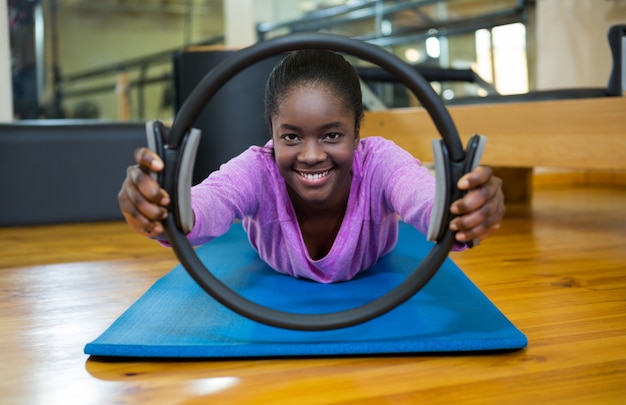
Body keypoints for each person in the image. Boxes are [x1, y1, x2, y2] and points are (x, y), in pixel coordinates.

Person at [118, 49, 504, 284]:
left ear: (357, 131)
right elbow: (209, 201)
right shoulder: (257, 168)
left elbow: (424, 196)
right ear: (271, 132)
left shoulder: (380, 160)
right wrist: (161, 207)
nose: (311, 155)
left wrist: (465, 210)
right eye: (291, 137)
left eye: (332, 136)